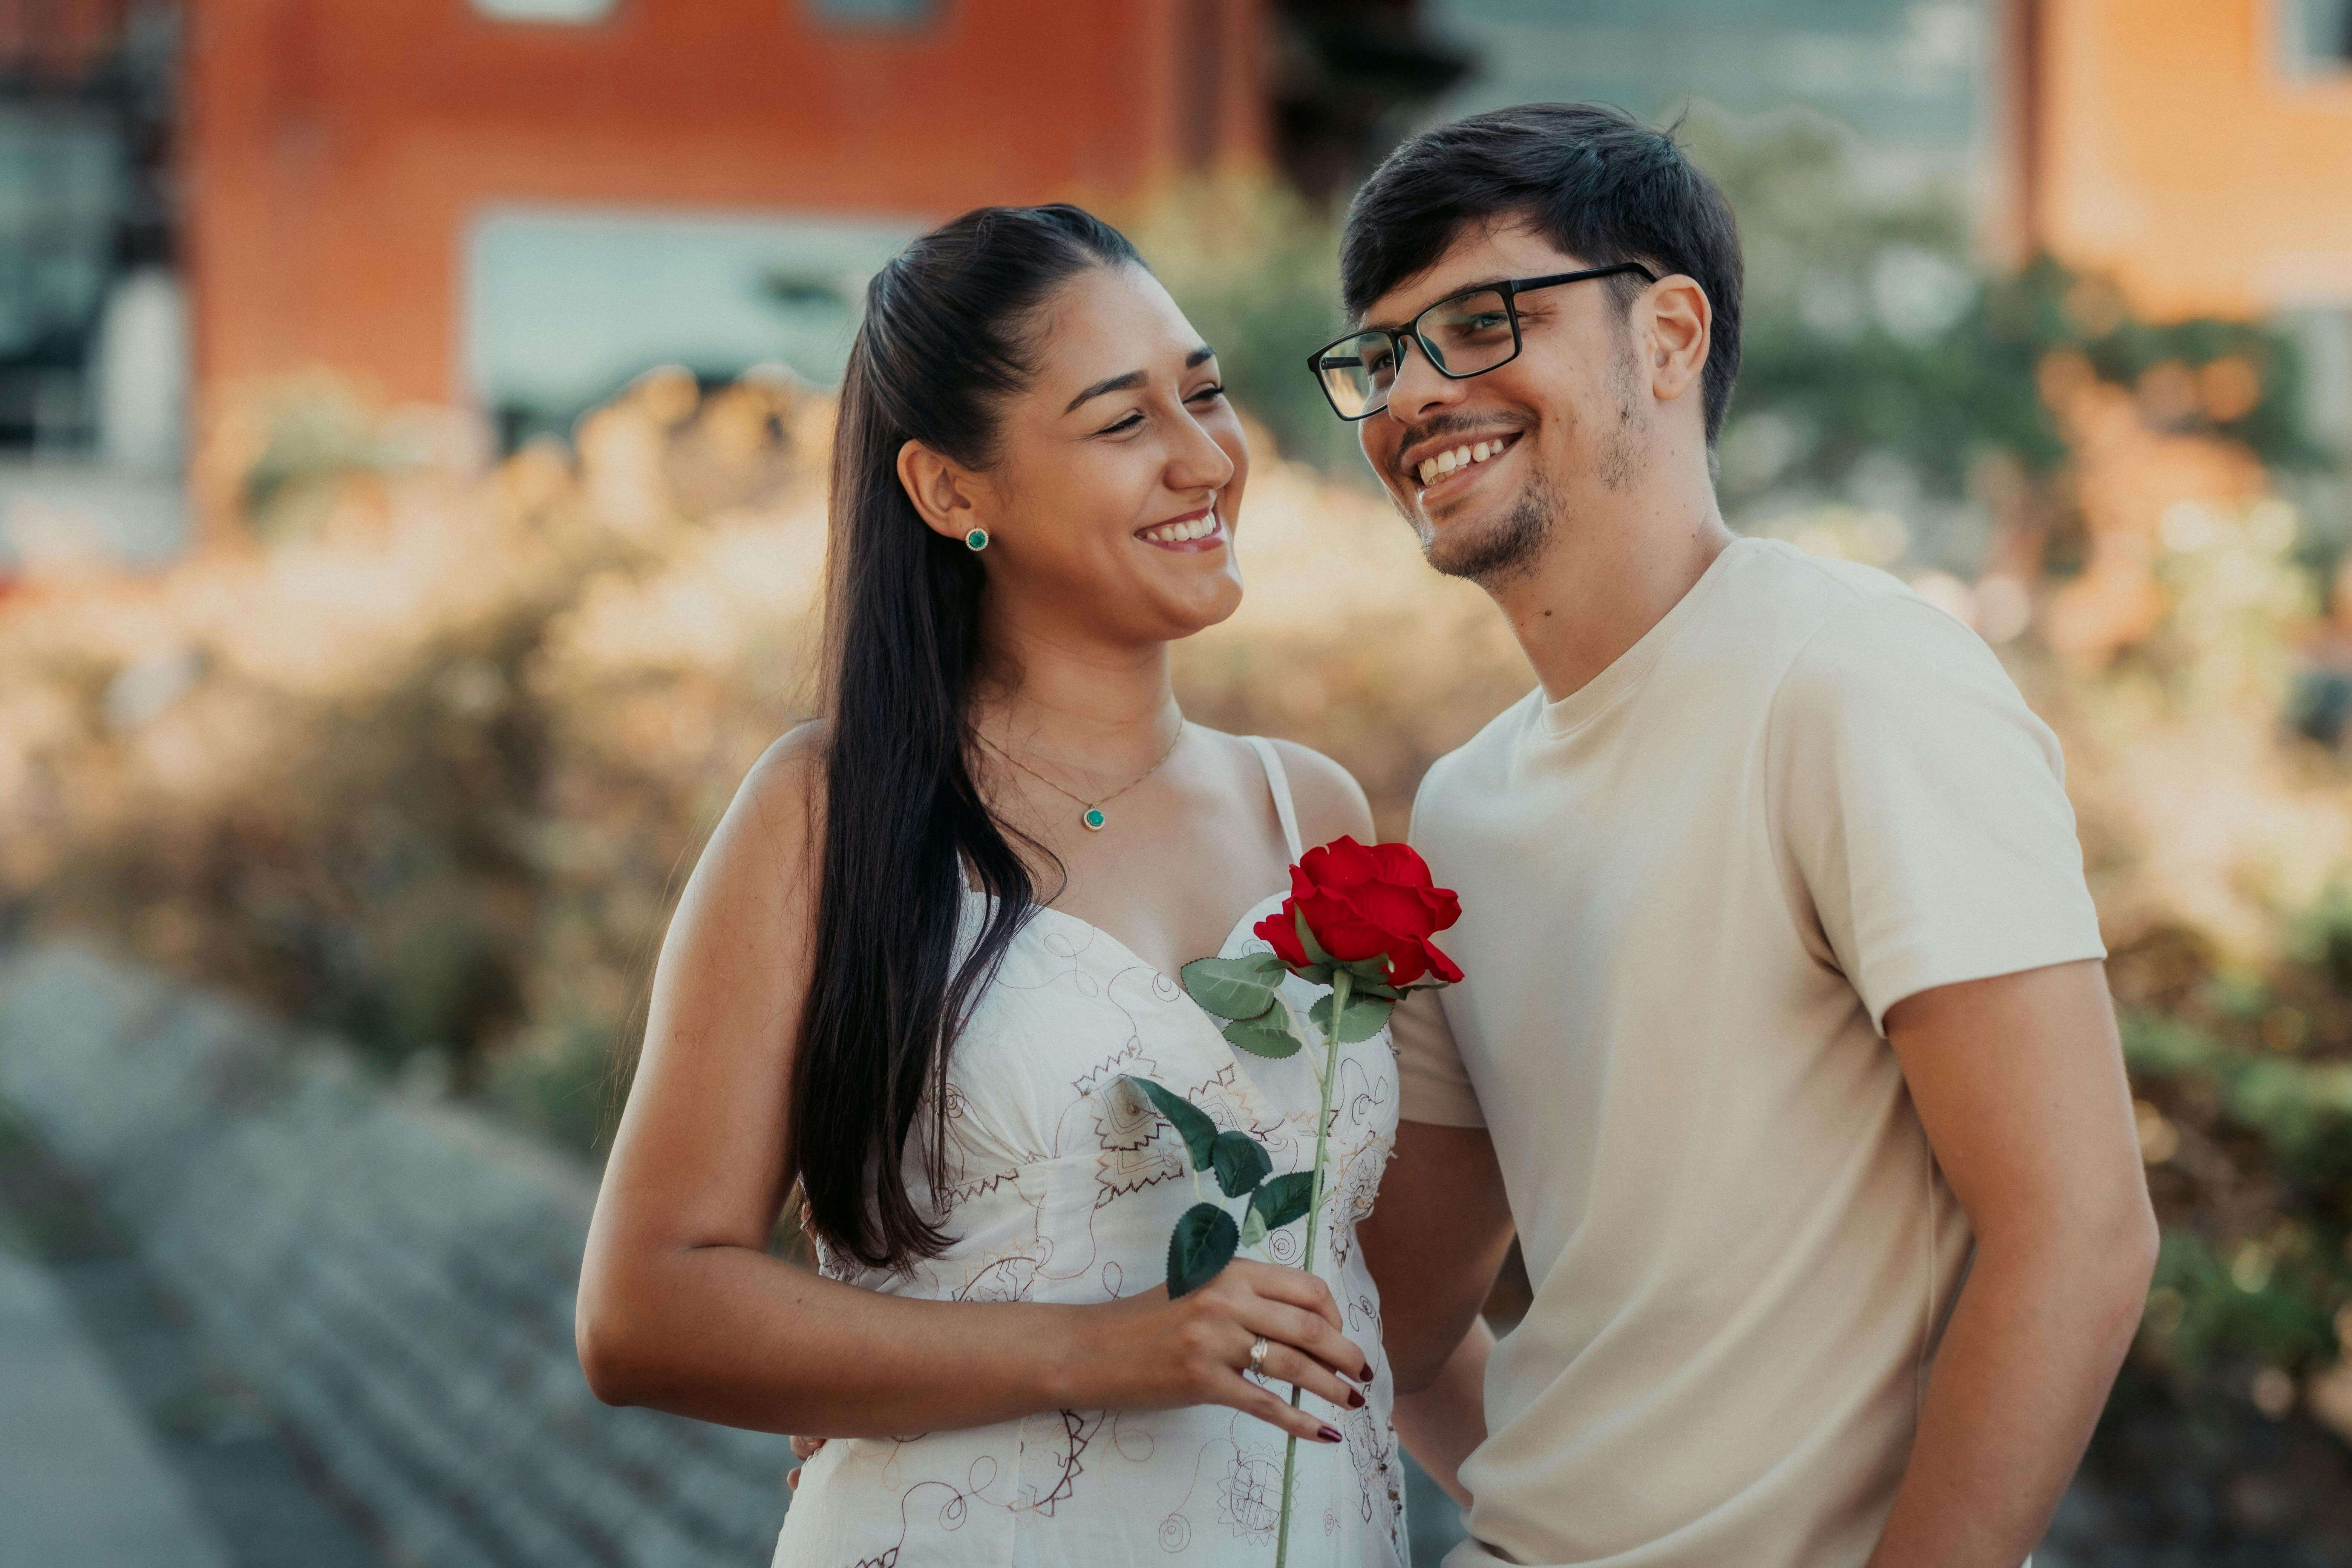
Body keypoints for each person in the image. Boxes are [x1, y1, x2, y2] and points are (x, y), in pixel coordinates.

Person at [1321, 106, 2159, 1568]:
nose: (1414, 395)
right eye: (1381, 354)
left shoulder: (1851, 680)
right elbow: (1393, 1312)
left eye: (1478, 321)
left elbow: (2080, 1231)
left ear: (1668, 333)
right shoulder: (1466, 804)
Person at [576, 204, 1423, 1566]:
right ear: (951, 492)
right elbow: (645, 1313)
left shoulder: (1307, 809)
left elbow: (1402, 1280)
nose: (1205, 456)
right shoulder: (829, 813)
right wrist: (1099, 1351)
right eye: (1122, 421)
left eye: (1203, 393)